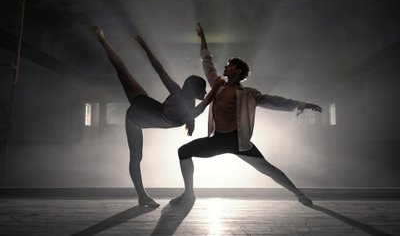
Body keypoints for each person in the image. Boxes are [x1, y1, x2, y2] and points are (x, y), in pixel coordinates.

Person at [171, 23, 322, 206]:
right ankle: (189, 194)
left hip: (238, 142)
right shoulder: (217, 86)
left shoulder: (249, 94)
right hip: (217, 140)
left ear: (238, 70)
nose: (225, 67)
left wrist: (302, 104)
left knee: (269, 170)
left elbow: (275, 101)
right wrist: (203, 38)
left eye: (229, 65)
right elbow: (207, 62)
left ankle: (299, 194)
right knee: (184, 151)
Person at [92, 26, 225, 207]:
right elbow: (205, 103)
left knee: (122, 70)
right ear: (195, 91)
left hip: (144, 102)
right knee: (136, 157)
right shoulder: (187, 106)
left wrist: (146, 48)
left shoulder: (177, 91)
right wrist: (217, 86)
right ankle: (142, 196)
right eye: (203, 89)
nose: (206, 91)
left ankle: (102, 40)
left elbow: (160, 70)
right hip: (136, 117)